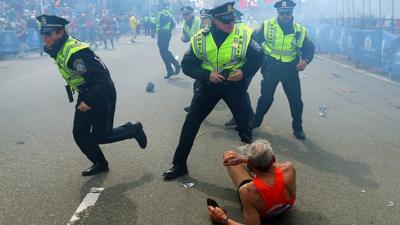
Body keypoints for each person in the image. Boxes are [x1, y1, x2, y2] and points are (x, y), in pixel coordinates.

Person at [163, 2, 264, 180]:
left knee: (245, 128)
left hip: (234, 86)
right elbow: (187, 65)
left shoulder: (243, 33)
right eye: (225, 21)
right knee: (191, 123)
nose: (230, 23)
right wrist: (207, 75)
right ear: (214, 20)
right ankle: (179, 165)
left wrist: (244, 72)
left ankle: (256, 167)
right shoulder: (200, 38)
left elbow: (258, 56)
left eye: (232, 19)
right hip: (209, 86)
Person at [36, 15, 147, 176]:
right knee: (80, 133)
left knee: (102, 136)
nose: (44, 37)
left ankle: (133, 129)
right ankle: (100, 163)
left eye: (48, 33)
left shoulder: (76, 54)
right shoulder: (60, 46)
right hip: (87, 91)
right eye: (43, 33)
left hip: (101, 93)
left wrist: (88, 101)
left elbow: (102, 81)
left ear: (60, 33)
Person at [251, 0, 315, 140]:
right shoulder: (267, 25)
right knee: (266, 99)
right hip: (271, 68)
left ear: (292, 13)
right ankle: (255, 122)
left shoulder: (300, 30)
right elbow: (253, 40)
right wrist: (261, 54)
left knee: (296, 101)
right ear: (277, 13)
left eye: (288, 13)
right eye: (282, 13)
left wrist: (305, 61)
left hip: (290, 70)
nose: (285, 16)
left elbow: (309, 48)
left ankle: (297, 128)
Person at [208, 140, 296, 225]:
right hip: (285, 207)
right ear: (273, 158)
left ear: (250, 164)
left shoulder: (247, 191)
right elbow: (274, 167)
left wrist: (223, 219)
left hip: (265, 215)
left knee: (228, 154)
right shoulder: (289, 168)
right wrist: (248, 159)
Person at [157, 1, 181, 79]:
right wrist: (167, 30)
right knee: (164, 52)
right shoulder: (167, 12)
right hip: (165, 33)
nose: (158, 6)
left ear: (162, 6)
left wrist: (161, 27)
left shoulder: (163, 12)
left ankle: (175, 65)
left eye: (159, 5)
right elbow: (173, 24)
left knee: (164, 52)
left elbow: (165, 20)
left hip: (163, 34)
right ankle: (171, 69)